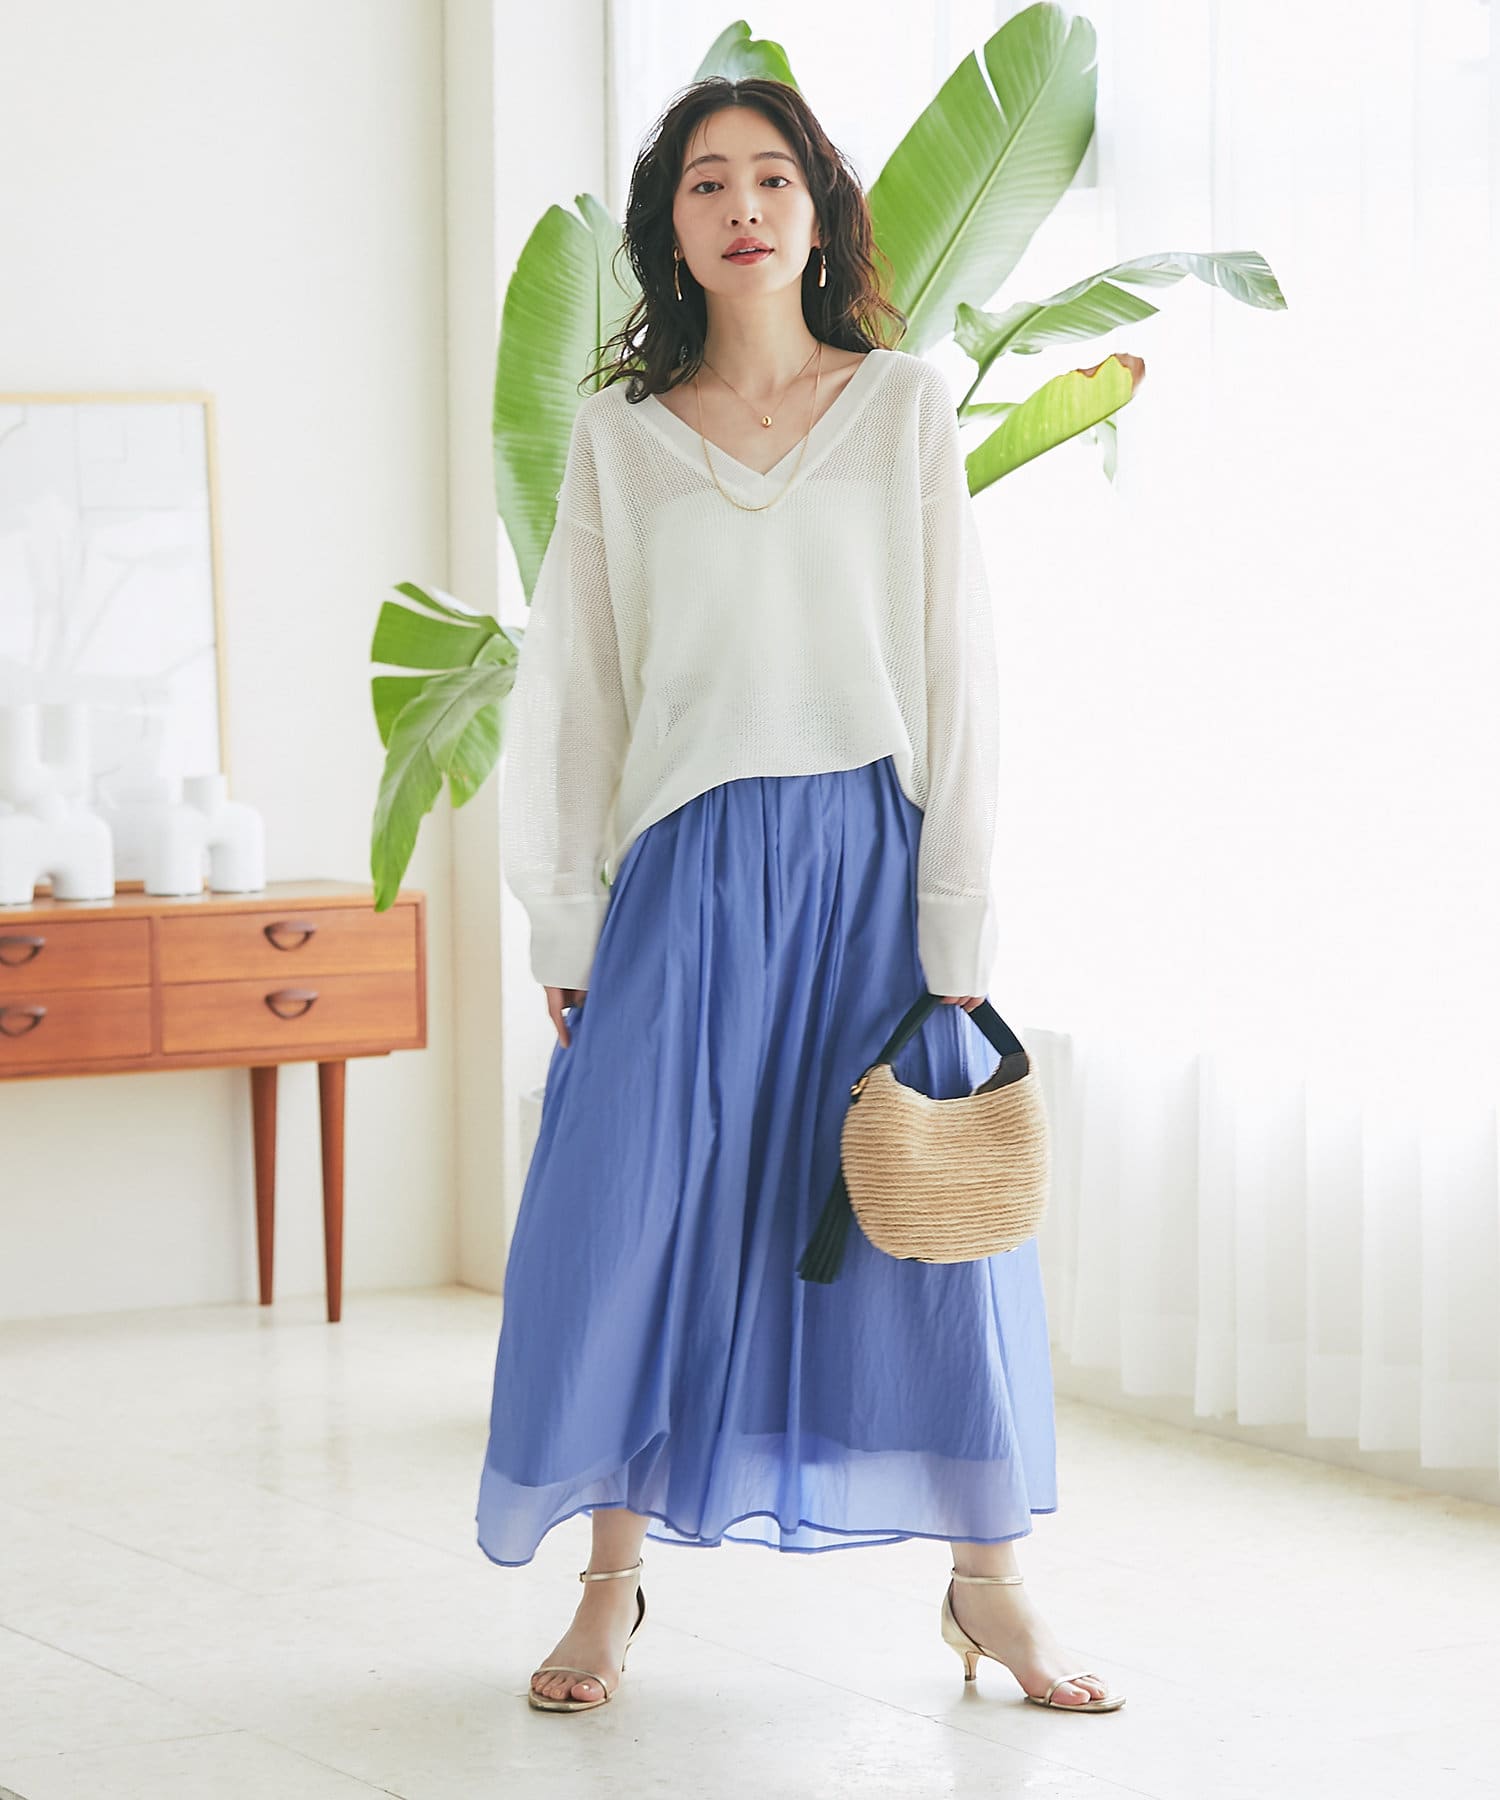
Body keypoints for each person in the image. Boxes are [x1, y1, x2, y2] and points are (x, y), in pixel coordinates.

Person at [476, 75, 1124, 1719]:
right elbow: (577, 694)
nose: (743, 206)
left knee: (922, 1231)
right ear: (671, 227)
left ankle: (991, 1589)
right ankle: (609, 1587)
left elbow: (958, 675)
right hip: (681, 878)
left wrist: (955, 916)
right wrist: (565, 919)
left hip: (866, 872)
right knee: (624, 1227)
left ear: (821, 212)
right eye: (706, 183)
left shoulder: (902, 410)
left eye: (773, 177)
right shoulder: (620, 441)